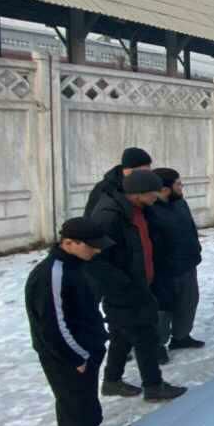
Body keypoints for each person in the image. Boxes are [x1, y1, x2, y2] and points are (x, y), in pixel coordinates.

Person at [24, 218, 112, 426]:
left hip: (80, 352)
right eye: (92, 246)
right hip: (68, 357)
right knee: (85, 412)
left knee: (70, 404)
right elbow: (53, 325)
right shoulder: (53, 273)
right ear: (69, 243)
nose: (97, 251)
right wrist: (77, 357)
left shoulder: (76, 266)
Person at [90, 171, 187, 401]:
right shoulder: (110, 215)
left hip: (140, 283)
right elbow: (96, 259)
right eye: (153, 194)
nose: (157, 198)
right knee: (146, 337)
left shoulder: (139, 210)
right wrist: (124, 284)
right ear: (138, 194)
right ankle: (153, 386)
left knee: (121, 336)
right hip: (125, 289)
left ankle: (112, 381)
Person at [147, 168, 204, 351]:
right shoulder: (150, 211)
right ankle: (157, 346)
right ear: (164, 189)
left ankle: (181, 337)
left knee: (188, 303)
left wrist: (196, 249)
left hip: (188, 265)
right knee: (163, 310)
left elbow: (191, 229)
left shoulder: (180, 203)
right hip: (164, 272)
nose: (182, 187)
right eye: (178, 184)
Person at [84, 146, 153, 216]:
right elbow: (91, 217)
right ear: (129, 171)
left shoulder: (142, 185)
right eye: (145, 172)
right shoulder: (104, 188)